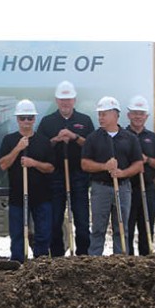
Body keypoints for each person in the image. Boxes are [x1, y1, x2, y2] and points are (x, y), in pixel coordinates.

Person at [80, 97, 143, 255]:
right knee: (98, 228)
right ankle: (94, 261)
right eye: (99, 114)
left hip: (123, 188)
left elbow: (138, 164)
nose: (100, 118)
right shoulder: (93, 138)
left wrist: (123, 173)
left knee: (121, 228)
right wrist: (104, 166)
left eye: (104, 114)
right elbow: (85, 164)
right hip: (100, 188)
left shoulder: (130, 138)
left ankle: (120, 262)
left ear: (115, 114)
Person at [39, 81, 94, 256]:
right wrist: (55, 140)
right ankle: (57, 257)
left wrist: (74, 136)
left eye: (68, 99)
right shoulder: (47, 122)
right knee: (55, 221)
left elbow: (91, 146)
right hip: (55, 177)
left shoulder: (84, 120)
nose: (65, 103)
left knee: (82, 221)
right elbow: (40, 147)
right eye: (62, 99)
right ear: (56, 100)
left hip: (79, 176)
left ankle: (83, 256)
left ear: (74, 100)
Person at [0, 99, 55, 262]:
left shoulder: (43, 141)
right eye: (22, 118)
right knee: (17, 233)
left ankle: (41, 262)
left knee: (43, 233)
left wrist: (34, 163)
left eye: (29, 118)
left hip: (41, 196)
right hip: (17, 197)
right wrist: (18, 148)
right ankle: (17, 262)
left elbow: (51, 168)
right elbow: (3, 165)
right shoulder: (9, 140)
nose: (26, 122)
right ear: (17, 119)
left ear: (34, 119)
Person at [125, 96, 155, 256]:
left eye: (141, 113)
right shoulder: (122, 136)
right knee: (127, 227)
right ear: (129, 115)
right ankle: (128, 261)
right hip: (127, 188)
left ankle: (145, 261)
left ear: (146, 116)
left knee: (146, 226)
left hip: (147, 188)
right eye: (135, 113)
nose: (138, 116)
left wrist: (147, 160)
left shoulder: (153, 138)